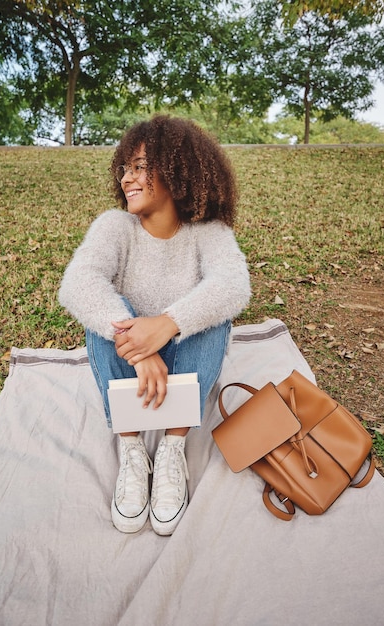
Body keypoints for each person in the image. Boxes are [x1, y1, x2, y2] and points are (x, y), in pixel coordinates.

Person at [59, 115, 250, 536]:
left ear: (178, 169)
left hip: (185, 358)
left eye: (141, 167)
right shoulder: (115, 226)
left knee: (214, 313)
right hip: (129, 362)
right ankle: (131, 449)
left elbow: (234, 285)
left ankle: (171, 446)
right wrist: (137, 344)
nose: (128, 178)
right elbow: (77, 283)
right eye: (125, 168)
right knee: (106, 310)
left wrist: (167, 325)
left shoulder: (209, 231)